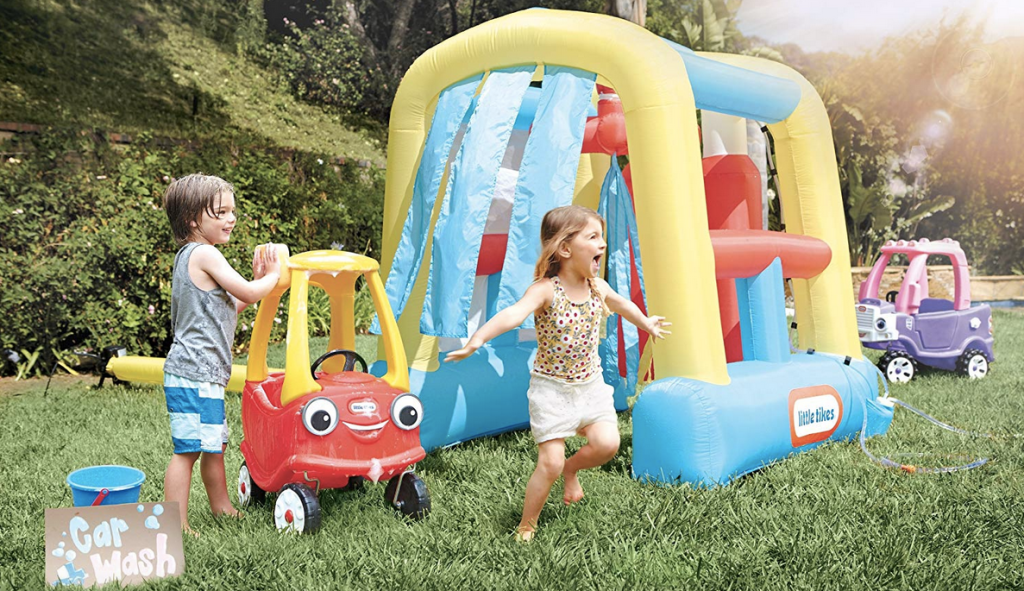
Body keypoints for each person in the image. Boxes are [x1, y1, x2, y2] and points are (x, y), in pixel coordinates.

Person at [445, 205, 670, 542]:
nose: (602, 245)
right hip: (552, 390)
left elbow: (624, 305)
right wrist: (477, 339)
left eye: (601, 237)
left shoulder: (599, 287)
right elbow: (513, 314)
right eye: (593, 237)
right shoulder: (546, 290)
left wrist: (646, 322)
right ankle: (527, 524)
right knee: (548, 463)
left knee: (608, 444)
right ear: (565, 249)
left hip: (590, 385)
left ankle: (573, 469)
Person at [161, 173, 281, 535]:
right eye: (222, 212)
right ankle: (177, 524)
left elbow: (232, 305)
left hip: (205, 373)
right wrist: (272, 275)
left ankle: (221, 507)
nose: (232, 218)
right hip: (193, 373)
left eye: (232, 211)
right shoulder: (204, 253)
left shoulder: (193, 257)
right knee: (188, 450)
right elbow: (250, 291)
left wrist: (258, 281)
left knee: (214, 445)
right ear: (194, 220)